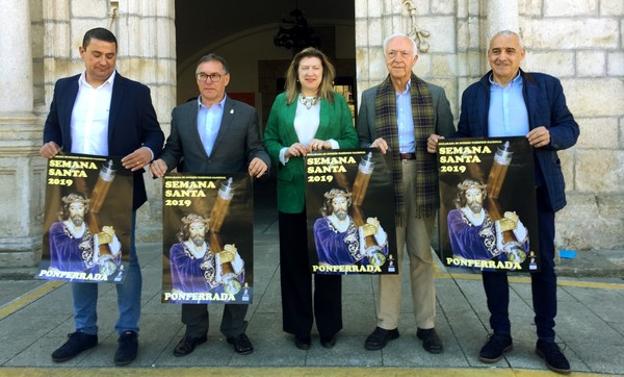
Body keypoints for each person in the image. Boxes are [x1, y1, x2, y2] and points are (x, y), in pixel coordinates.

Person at [428, 30, 579, 374]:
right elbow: (465, 138)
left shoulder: (547, 86)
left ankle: (547, 338)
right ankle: (501, 332)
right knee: (492, 263)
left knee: (543, 267)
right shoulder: (474, 94)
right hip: (491, 194)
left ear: (521, 54)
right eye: (496, 51)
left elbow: (570, 127)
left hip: (536, 189)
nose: (502, 56)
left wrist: (552, 136)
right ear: (488, 55)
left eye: (509, 50)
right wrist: (444, 143)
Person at [40, 27, 164, 366]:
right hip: (74, 189)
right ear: (82, 51)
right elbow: (53, 125)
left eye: (110, 56)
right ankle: (84, 331)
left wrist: (148, 151)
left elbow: (155, 132)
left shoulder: (136, 92)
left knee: (124, 258)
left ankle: (128, 331)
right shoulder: (64, 87)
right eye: (97, 54)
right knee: (78, 259)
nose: (103, 62)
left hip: (119, 186)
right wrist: (49, 141)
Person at [150, 53, 269, 356]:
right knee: (192, 265)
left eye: (215, 75)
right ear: (197, 79)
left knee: (231, 264)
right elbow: (173, 149)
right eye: (203, 75)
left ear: (226, 78)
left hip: (233, 202)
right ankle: (194, 331)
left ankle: (235, 331)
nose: (209, 81)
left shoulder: (244, 113)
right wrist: (162, 163)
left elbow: (257, 148)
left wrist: (260, 160)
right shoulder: (182, 113)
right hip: (192, 203)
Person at [357, 33, 454, 354]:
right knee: (388, 254)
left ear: (414, 58)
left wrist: (440, 142)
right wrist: (370, 146)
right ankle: (387, 324)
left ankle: (427, 325)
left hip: (422, 176)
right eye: (392, 53)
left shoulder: (435, 94)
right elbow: (359, 141)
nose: (397, 59)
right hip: (386, 178)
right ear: (385, 58)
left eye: (403, 54)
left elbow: (452, 139)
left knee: (422, 254)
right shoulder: (370, 98)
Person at [263, 47, 358, 349]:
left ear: (324, 72)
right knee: (294, 264)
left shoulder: (337, 102)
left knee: (328, 261)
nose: (310, 73)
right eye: (304, 68)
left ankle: (328, 327)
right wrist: (284, 150)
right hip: (291, 192)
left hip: (327, 194)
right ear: (296, 72)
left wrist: (328, 143)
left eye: (316, 68)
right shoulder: (281, 102)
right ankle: (300, 327)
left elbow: (351, 139)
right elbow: (269, 139)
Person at [447, 179, 529, 263]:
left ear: (483, 195)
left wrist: (516, 225)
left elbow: (512, 253)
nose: (474, 199)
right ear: (464, 196)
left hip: (492, 269)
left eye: (477, 194)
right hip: (465, 270)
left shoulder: (491, 214)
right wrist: (496, 227)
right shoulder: (455, 215)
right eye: (469, 195)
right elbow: (464, 238)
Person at [169, 213, 244, 295]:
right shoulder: (177, 249)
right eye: (193, 228)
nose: (197, 232)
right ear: (187, 230)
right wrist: (217, 259)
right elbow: (186, 271)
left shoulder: (213, 247)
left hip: (213, 298)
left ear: (205, 228)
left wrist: (234, 258)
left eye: (200, 228)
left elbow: (234, 281)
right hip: (188, 299)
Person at [48, 193, 121, 274]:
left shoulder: (88, 228)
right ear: (68, 209)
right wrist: (95, 241)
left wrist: (112, 239)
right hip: (64, 274)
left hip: (88, 273)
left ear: (85, 209)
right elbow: (64, 251)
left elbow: (110, 258)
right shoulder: (57, 228)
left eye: (80, 208)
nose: (77, 212)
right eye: (73, 208)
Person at [313, 188, 388, 266]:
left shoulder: (355, 222)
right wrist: (360, 233)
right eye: (336, 203)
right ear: (331, 204)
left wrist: (377, 231)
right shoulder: (321, 223)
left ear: (347, 202)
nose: (340, 207)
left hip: (352, 272)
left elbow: (366, 260)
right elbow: (330, 247)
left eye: (342, 202)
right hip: (330, 272)